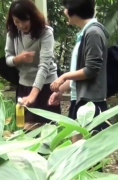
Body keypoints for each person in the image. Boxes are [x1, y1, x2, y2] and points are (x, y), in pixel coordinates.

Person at [49, 0, 110, 142]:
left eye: (66, 7)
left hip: (90, 103)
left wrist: (63, 77)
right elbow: (79, 72)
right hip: (79, 101)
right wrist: (61, 90)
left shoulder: (93, 32)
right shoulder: (85, 33)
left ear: (74, 8)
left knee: (87, 155)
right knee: (77, 151)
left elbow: (91, 70)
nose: (64, 11)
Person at [5, 0, 61, 131]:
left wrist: (33, 94)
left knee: (47, 131)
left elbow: (44, 66)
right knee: (26, 129)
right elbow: (7, 58)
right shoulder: (12, 33)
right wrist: (17, 59)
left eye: (24, 20)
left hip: (46, 86)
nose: (21, 25)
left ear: (32, 17)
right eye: (16, 21)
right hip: (24, 85)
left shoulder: (46, 33)